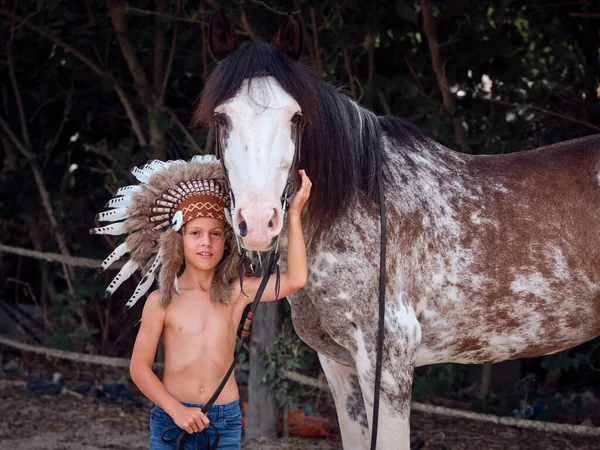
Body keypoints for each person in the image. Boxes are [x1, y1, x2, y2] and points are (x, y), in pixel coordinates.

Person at [90, 156, 311, 450]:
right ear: (179, 240)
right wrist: (176, 410)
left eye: (215, 234)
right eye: (195, 233)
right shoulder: (162, 301)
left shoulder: (238, 293)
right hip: (173, 419)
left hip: (224, 420)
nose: (206, 242)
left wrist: (294, 215)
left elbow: (295, 278)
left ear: (226, 242)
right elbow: (139, 369)